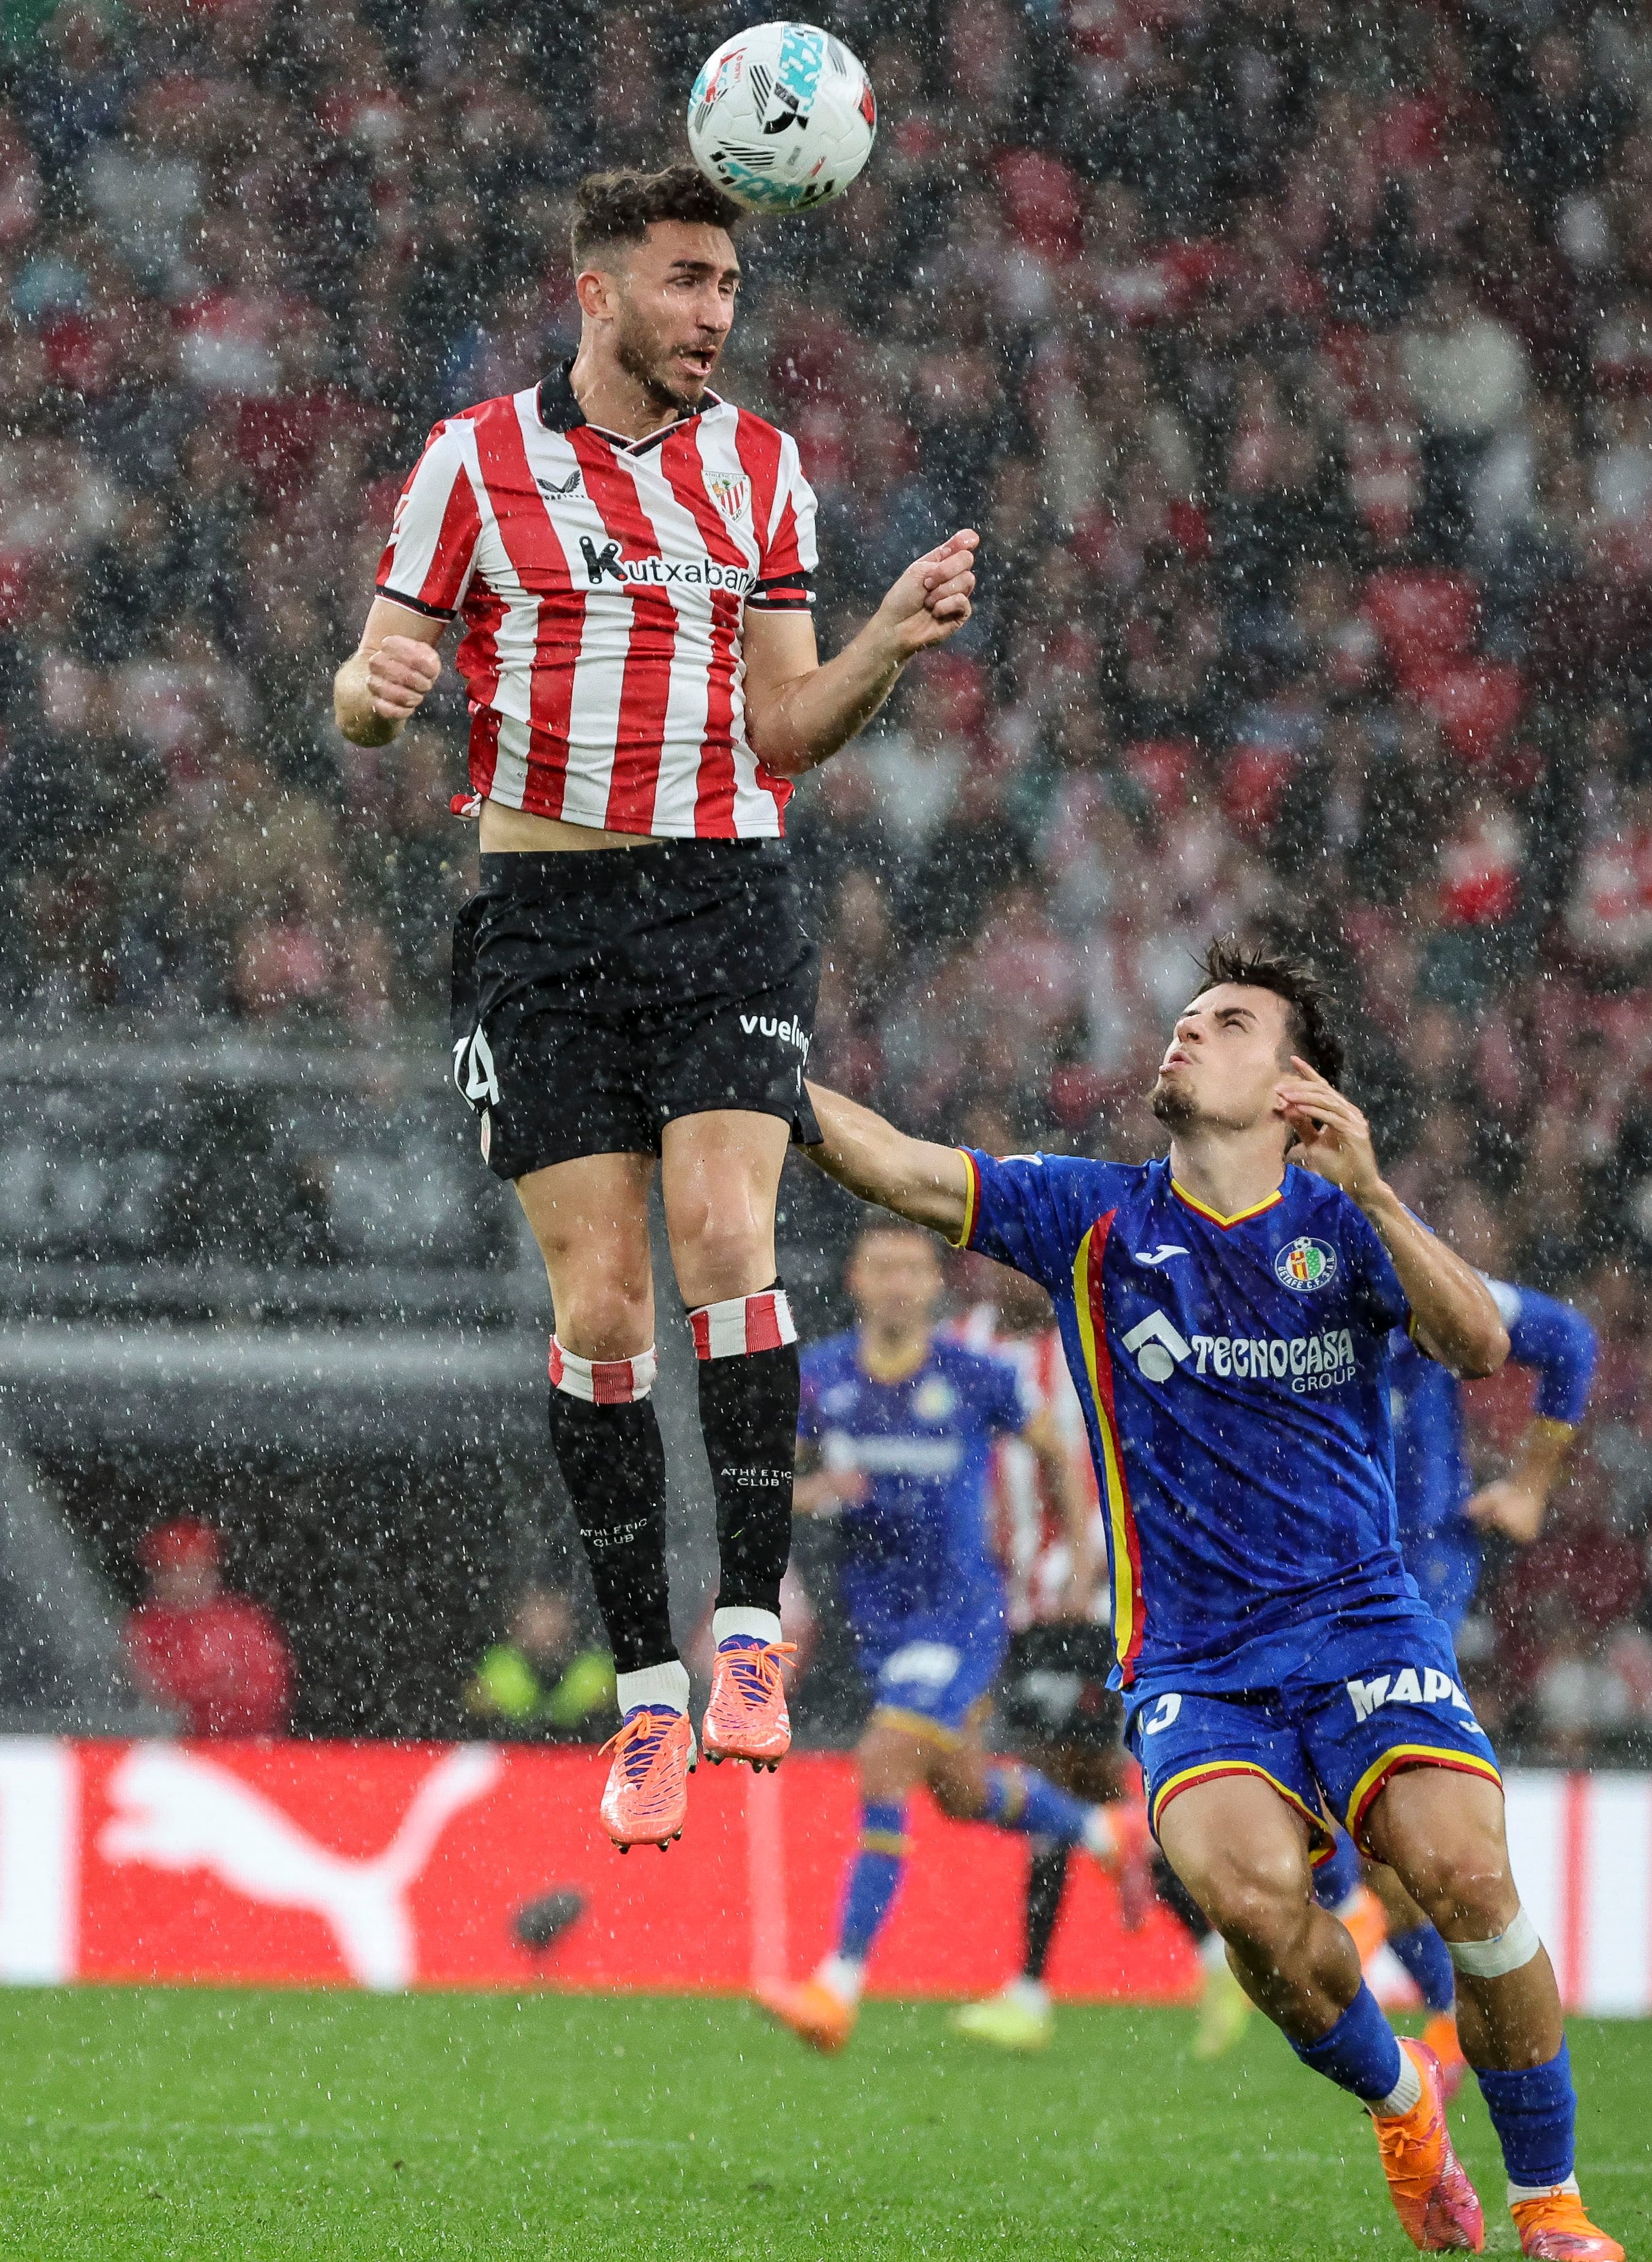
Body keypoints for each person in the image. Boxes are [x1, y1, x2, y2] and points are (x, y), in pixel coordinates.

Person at [786, 938, 1619, 2262]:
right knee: (1257, 1922)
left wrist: (1380, 1192)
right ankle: (1404, 2105)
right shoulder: (1093, 1214)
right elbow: (889, 1158)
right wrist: (751, 1064)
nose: (1183, 1031)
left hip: (1362, 1625)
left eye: (1224, 1021)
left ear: (1293, 1086)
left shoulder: (1343, 1225)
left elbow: (1476, 1345)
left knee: (1462, 1871)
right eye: (1183, 1016)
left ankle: (1552, 2206)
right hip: (1192, 1657)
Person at [333, 164, 981, 1849]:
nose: (714, 315)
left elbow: (784, 729)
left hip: (717, 894)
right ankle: (643, 1700)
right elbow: (367, 686)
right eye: (687, 281)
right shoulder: (472, 463)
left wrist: (890, 647)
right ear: (597, 288)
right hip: (539, 912)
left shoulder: (760, 470)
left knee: (722, 1234)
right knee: (605, 1306)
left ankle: (746, 1637)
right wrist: (370, 689)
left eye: (730, 289)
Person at [1161, 1260, 1600, 2081]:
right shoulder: (1226, 1284)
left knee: (1386, 1824)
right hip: (1286, 1590)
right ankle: (1433, 2018)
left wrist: (1531, 1485)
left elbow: (1567, 1339)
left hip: (1409, 1578)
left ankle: (1394, 1979)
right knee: (1354, 1831)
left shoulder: (1393, 1265)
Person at [761, 1220, 1142, 2053]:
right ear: (855, 1281)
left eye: (912, 1269)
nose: (897, 1283)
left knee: (885, 1759)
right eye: (881, 1267)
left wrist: (1080, 1557)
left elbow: (1056, 1453)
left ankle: (837, 1986)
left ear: (935, 1287)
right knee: (962, 1790)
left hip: (962, 1613)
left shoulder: (974, 1374)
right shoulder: (820, 1379)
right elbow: (768, 1489)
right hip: (877, 1622)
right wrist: (817, 1488)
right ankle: (1100, 1831)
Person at [944, 1263, 1152, 2052]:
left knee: (1052, 1779)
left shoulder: (1089, 1343)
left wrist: (1093, 1559)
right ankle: (1214, 1945)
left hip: (1076, 1601)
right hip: (996, 1604)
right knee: (1082, 1786)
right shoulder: (962, 1345)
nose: (1004, 1271)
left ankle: (1031, 1987)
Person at [126, 1520, 290, 1737]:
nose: (180, 1579)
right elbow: (145, 1695)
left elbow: (268, 1691)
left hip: (244, 1751)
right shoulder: (145, 1627)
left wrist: (202, 1694)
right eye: (170, 1569)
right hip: (171, 1754)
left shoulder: (242, 1622)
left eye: (190, 1567)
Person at [463, 1581, 614, 1740]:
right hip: (511, 1757)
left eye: (554, 1611)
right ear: (519, 1619)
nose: (548, 1622)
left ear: (570, 1618)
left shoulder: (597, 1670)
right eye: (538, 1612)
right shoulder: (496, 1668)